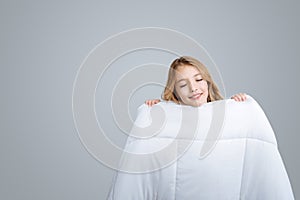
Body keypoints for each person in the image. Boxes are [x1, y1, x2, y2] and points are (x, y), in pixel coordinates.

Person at [144, 56, 247, 107]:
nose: (193, 88)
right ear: (175, 93)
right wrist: (156, 109)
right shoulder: (171, 118)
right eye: (183, 85)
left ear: (208, 82)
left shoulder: (225, 112)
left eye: (198, 79)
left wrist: (238, 105)